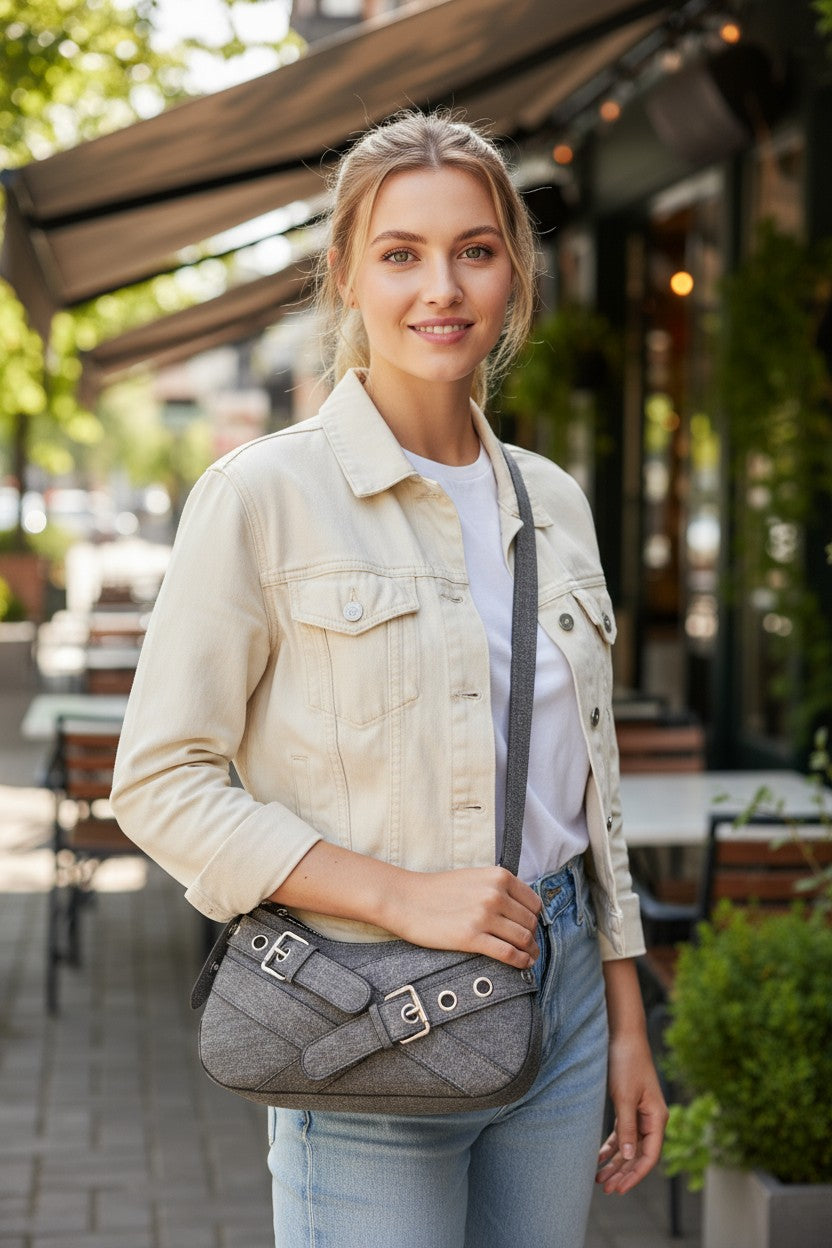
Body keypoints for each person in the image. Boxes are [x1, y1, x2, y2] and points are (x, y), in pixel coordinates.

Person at [111, 110, 667, 1248]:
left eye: (474, 248)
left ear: (513, 271)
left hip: (555, 997)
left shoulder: (551, 502)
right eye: (400, 253)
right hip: (361, 1008)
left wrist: (622, 1013)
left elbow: (583, 792)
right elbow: (162, 782)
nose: (441, 288)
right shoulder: (262, 496)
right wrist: (400, 895)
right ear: (345, 276)